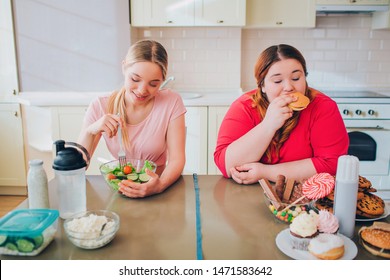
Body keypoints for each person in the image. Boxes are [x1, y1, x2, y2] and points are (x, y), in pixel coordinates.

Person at [214, 44, 349, 185]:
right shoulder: (245, 107)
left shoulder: (323, 107)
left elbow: (332, 165)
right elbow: (225, 165)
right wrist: (268, 125)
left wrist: (265, 172)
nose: (289, 87)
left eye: (296, 78)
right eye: (278, 81)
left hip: (307, 196)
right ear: (262, 86)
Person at [78, 39, 186, 198]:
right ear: (124, 67)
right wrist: (90, 131)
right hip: (118, 191)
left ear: (162, 80)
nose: (142, 90)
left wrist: (159, 186)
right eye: (135, 79)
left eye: (153, 84)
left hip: (159, 192)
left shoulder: (171, 102)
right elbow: (78, 168)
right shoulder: (100, 105)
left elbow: (177, 159)